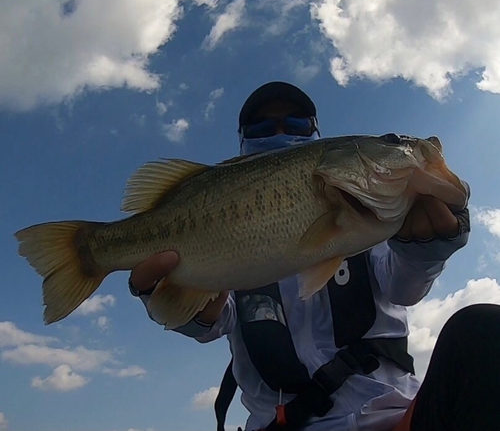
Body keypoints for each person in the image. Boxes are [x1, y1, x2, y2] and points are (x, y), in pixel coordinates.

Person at [128, 82, 500, 431]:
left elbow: (403, 286)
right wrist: (183, 305)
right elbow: (212, 322)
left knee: (482, 332)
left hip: (392, 419)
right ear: (242, 141)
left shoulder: (375, 223)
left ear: (319, 136)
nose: (279, 132)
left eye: (295, 122)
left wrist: (427, 248)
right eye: (260, 127)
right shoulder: (224, 226)